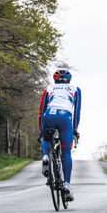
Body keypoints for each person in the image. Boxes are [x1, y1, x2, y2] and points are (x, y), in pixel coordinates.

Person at [38, 68, 82, 201]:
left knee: (46, 138)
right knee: (66, 152)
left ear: (55, 79)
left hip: (49, 115)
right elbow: (77, 112)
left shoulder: (48, 88)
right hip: (65, 118)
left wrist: (41, 131)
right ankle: (67, 186)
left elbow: (42, 110)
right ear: (69, 79)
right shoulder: (75, 89)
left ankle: (45, 157)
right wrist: (74, 129)